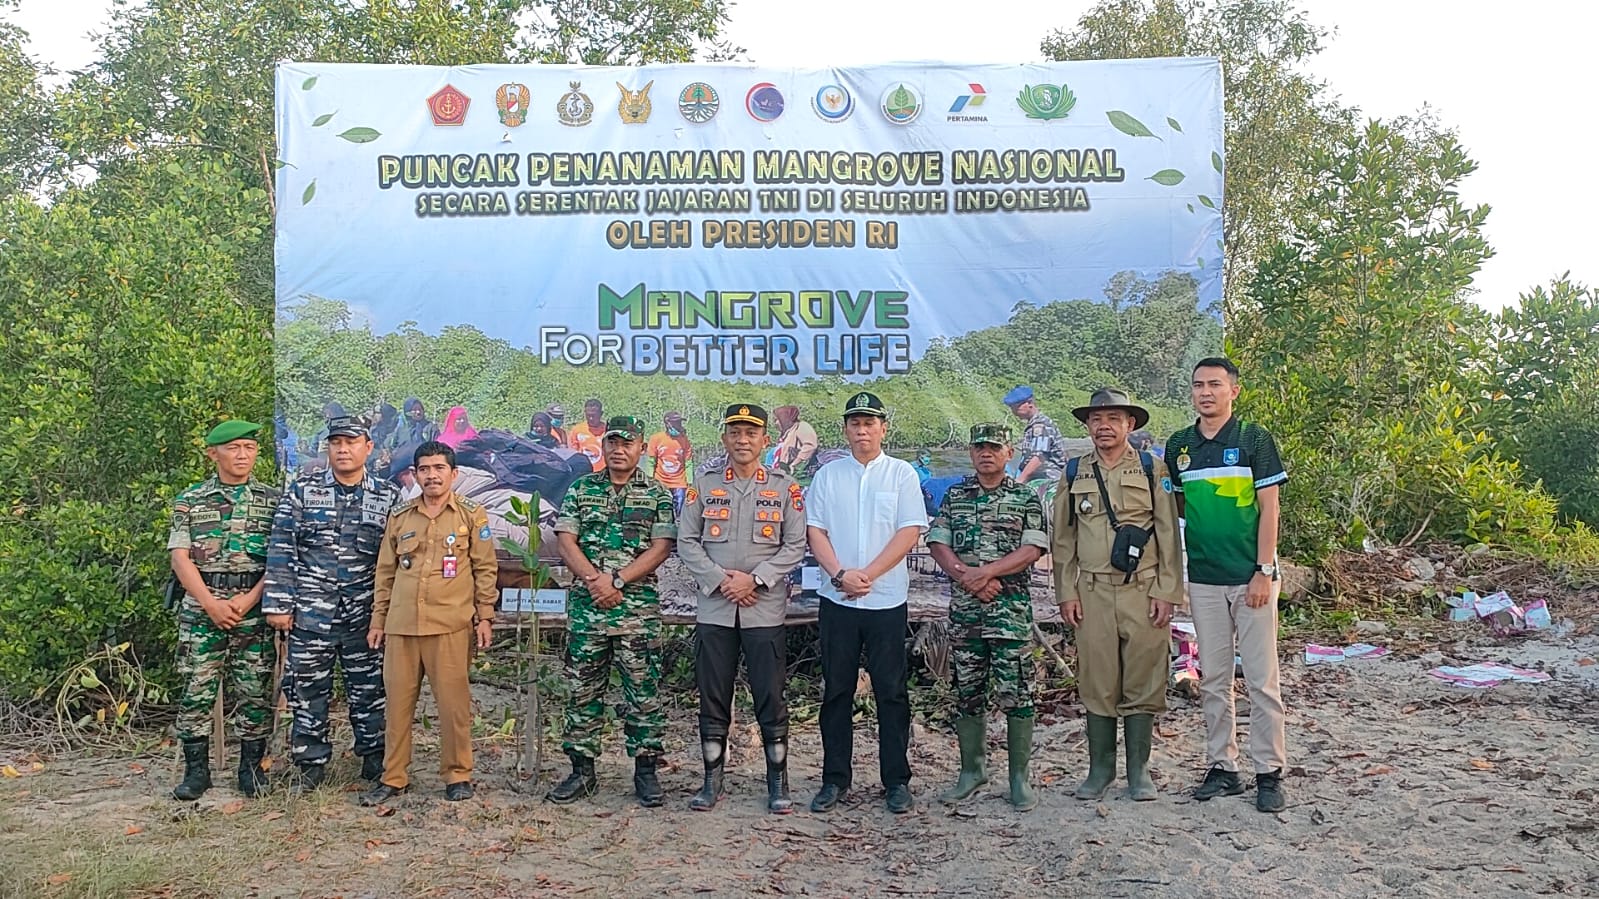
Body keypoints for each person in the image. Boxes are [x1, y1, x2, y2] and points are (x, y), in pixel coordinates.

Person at [1167, 357, 1289, 813]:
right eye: (1198, 385)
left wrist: (1264, 570)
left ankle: (1269, 773)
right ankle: (1223, 766)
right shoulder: (1180, 445)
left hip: (1252, 577)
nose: (1206, 392)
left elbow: (1270, 508)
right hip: (1203, 578)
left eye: (1215, 384)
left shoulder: (1254, 439)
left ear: (1233, 391)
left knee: (1261, 679)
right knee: (1213, 677)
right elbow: (1178, 507)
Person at [1052, 388, 1183, 802]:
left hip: (1143, 591)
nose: (1103, 426)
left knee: (1144, 676)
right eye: (1096, 419)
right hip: (1090, 592)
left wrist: (1167, 591)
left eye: (1113, 418)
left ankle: (1138, 772)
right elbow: (1063, 539)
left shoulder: (1151, 468)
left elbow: (1167, 534)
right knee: (1097, 679)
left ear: (1130, 424)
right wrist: (1065, 593)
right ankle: (1100, 769)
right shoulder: (1074, 472)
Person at [676, 404, 807, 814]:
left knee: (770, 694)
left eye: (751, 433)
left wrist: (757, 579)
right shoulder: (704, 483)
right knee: (713, 695)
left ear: (766, 440)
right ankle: (712, 780)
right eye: (735, 432)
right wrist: (721, 580)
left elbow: (795, 545)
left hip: (763, 609)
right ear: (725, 439)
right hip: (716, 608)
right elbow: (687, 541)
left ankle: (777, 781)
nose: (743, 440)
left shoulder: (786, 488)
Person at [805, 391, 927, 815]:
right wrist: (841, 574)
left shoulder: (901, 474)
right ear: (845, 429)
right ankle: (834, 780)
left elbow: (909, 531)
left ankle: (896, 780)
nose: (862, 430)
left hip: (885, 599)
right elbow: (815, 530)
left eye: (870, 422)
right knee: (836, 691)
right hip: (837, 598)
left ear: (882, 428)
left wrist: (869, 575)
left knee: (891, 692)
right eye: (855, 423)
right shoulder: (828, 475)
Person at [546, 415, 677, 807]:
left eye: (628, 443)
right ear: (604, 447)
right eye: (613, 443)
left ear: (641, 448)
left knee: (643, 693)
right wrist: (594, 580)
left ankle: (646, 772)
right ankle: (581, 772)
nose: (619, 450)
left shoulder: (655, 494)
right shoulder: (582, 489)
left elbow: (661, 547)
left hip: (635, 612)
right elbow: (566, 540)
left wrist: (617, 581)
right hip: (589, 611)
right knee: (582, 691)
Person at [264, 415, 400, 791]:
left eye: (351, 442)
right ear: (328, 447)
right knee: (307, 690)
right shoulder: (303, 491)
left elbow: (399, 556)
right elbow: (281, 548)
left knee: (370, 690)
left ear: (368, 448)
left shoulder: (387, 496)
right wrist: (279, 604)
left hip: (366, 616)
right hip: (311, 614)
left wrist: (390, 613)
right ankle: (310, 766)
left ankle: (374, 760)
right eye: (336, 442)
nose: (343, 449)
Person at [361, 440, 499, 805]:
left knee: (454, 707)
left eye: (439, 469)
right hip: (402, 625)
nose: (432, 475)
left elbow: (486, 569)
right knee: (397, 706)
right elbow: (385, 573)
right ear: (416, 474)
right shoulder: (400, 516)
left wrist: (485, 615)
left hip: (450, 624)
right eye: (424, 469)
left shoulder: (472, 514)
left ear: (453, 474)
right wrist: (378, 619)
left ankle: (457, 774)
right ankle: (393, 776)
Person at [927, 423, 1048, 811]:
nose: (986, 453)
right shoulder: (955, 495)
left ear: (1008, 452)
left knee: (1017, 694)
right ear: (971, 452)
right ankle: (972, 771)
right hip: (967, 614)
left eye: (994, 447)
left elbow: (1033, 549)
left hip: (1009, 613)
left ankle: (1018, 779)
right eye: (979, 447)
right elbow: (937, 543)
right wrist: (969, 578)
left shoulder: (1025, 497)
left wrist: (988, 573)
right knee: (968, 692)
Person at [166, 419, 280, 801]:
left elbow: (280, 560)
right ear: (213, 453)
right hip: (203, 609)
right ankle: (197, 772)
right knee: (196, 691)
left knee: (255, 692)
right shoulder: (190, 500)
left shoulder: (273, 499)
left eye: (249, 447)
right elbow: (180, 559)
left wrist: (249, 600)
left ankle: (251, 771)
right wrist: (211, 604)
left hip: (253, 606)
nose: (243, 455)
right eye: (234, 448)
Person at [1003, 386, 1067, 484]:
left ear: (1029, 403)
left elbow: (1039, 457)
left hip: (1048, 476)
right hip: (1035, 475)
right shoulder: (1032, 425)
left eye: (1016, 407)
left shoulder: (1041, 425)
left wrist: (1020, 480)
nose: (1014, 411)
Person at [646, 411, 693, 514]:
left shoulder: (684, 440)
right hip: (660, 481)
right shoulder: (656, 439)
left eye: (679, 423)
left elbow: (688, 462)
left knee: (680, 508)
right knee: (661, 509)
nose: (678, 425)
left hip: (679, 482)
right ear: (667, 423)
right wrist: (650, 479)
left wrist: (690, 482)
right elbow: (651, 461)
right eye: (675, 423)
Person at [771, 405, 818, 477]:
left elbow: (810, 446)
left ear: (785, 418)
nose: (775, 423)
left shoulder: (802, 426)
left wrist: (795, 464)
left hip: (799, 472)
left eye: (777, 420)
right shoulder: (788, 432)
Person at [567, 398, 606, 472]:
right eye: (588, 415)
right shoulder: (577, 430)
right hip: (583, 473)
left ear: (601, 414)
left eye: (594, 415)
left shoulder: (607, 430)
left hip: (603, 474)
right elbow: (572, 453)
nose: (591, 418)